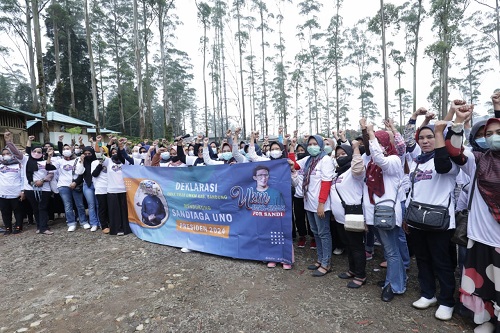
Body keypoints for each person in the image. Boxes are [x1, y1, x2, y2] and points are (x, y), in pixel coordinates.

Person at [445, 96, 500, 333]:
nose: (492, 137)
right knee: (483, 285)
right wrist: (458, 121)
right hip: (479, 237)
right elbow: (454, 150)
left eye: (498, 131)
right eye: (489, 134)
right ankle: (486, 319)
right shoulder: (477, 160)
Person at [403, 115, 460, 321]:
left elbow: (443, 166)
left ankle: (447, 301)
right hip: (417, 219)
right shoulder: (418, 162)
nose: (425, 141)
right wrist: (406, 217)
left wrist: (441, 133)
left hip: (440, 222)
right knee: (423, 259)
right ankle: (428, 294)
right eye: (422, 138)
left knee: (442, 262)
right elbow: (413, 190)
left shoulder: (448, 162)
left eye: (430, 137)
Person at [364, 123, 406, 302]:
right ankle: (396, 280)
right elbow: (368, 192)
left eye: (379, 142)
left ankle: (395, 286)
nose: (376, 146)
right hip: (376, 214)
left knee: (391, 252)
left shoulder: (394, 160)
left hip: (387, 214)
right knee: (391, 250)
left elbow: (381, 159)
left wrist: (371, 134)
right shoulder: (372, 164)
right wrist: (367, 218)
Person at [295, 135, 335, 277]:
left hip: (321, 204)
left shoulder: (326, 160)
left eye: (314, 143)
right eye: (309, 144)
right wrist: (290, 144)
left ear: (320, 145)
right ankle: (320, 259)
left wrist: (321, 204)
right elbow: (293, 164)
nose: (312, 146)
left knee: (324, 233)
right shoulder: (308, 160)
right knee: (316, 232)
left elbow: (326, 183)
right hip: (309, 203)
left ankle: (326, 263)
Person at [331, 141, 366, 288]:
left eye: (344, 154)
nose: (340, 157)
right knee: (348, 245)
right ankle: (352, 269)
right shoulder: (337, 173)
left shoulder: (354, 172)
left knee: (357, 246)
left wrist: (356, 148)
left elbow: (358, 168)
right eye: (337, 155)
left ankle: (361, 275)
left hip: (353, 213)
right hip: (340, 216)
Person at [53, 137, 89, 232]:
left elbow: (81, 172)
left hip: (76, 185)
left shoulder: (77, 159)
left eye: (68, 148)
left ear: (72, 149)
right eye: (64, 149)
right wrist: (48, 157)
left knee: (80, 205)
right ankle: (71, 223)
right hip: (63, 186)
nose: (66, 150)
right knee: (68, 205)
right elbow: (50, 168)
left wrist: (75, 182)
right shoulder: (59, 161)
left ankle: (83, 222)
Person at [23, 136, 56, 235]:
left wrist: (42, 180)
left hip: (44, 189)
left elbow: (51, 173)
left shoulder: (45, 161)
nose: (37, 153)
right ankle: (39, 226)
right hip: (30, 189)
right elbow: (26, 150)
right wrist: (29, 140)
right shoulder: (26, 161)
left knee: (43, 208)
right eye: (35, 151)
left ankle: (44, 227)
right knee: (35, 208)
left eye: (39, 152)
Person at [103, 138, 132, 236]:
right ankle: (116, 229)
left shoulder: (125, 162)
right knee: (114, 211)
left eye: (116, 152)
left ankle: (125, 229)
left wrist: (120, 147)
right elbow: (99, 155)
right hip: (112, 190)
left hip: (124, 190)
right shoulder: (108, 162)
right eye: (113, 152)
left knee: (124, 211)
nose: (115, 153)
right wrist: (109, 144)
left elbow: (122, 155)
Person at [0, 132, 25, 235]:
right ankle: (7, 228)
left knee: (18, 211)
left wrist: (23, 191)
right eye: (4, 154)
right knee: (5, 212)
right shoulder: (0, 165)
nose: (6, 156)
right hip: (3, 193)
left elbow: (23, 178)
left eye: (8, 153)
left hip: (16, 192)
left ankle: (18, 227)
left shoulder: (19, 165)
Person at [74, 146, 100, 231]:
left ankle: (101, 222)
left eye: (89, 153)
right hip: (87, 185)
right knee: (91, 205)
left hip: (98, 185)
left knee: (98, 204)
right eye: (85, 154)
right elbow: (79, 172)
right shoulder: (81, 161)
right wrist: (81, 161)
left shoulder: (96, 161)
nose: (88, 155)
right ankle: (94, 223)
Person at [91, 144, 110, 234]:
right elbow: (94, 174)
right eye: (99, 151)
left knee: (110, 207)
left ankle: (111, 223)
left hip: (110, 187)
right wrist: (100, 163)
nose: (101, 152)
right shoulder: (94, 162)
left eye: (103, 151)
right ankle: (104, 225)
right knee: (102, 207)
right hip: (100, 188)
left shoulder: (109, 161)